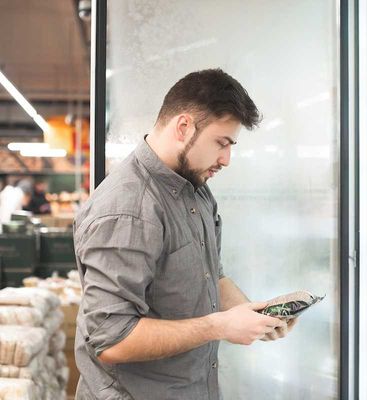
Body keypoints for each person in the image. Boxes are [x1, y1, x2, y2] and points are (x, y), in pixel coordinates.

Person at [73, 69, 296, 400]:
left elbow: (211, 277)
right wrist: (220, 326)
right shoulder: (128, 209)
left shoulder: (196, 190)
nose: (226, 159)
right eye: (222, 143)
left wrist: (254, 316)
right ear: (183, 127)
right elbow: (111, 339)